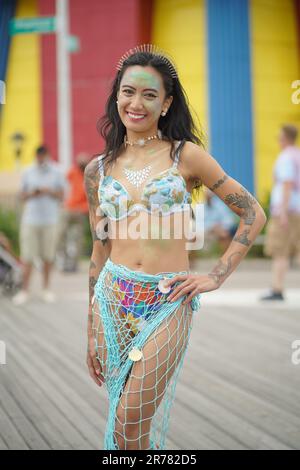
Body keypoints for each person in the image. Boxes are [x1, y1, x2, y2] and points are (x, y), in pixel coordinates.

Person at [84, 44, 266, 450]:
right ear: (117, 98)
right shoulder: (97, 170)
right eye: (128, 91)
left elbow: (253, 213)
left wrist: (215, 276)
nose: (137, 102)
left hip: (168, 299)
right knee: (133, 429)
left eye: (150, 95)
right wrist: (92, 326)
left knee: (127, 417)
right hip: (114, 298)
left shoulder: (187, 156)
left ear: (166, 104)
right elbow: (99, 249)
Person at [12, 145, 65, 306]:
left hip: (50, 220)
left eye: (43, 156)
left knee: (48, 256)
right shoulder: (28, 171)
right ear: (36, 156)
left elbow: (62, 195)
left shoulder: (56, 171)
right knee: (27, 256)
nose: (41, 159)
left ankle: (46, 289)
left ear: (47, 155)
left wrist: (49, 191)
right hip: (31, 220)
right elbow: (21, 195)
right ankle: (24, 290)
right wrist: (33, 193)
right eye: (39, 156)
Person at [261, 125, 300, 301]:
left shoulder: (285, 158)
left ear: (285, 138)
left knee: (280, 251)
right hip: (296, 209)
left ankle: (277, 289)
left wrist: (282, 212)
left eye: (279, 137)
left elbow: (287, 184)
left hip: (287, 211)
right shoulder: (297, 155)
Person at [56, 152, 90, 272]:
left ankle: (73, 264)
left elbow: (92, 198)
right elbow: (63, 186)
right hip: (68, 209)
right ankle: (64, 260)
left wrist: (83, 209)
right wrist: (62, 202)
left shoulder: (90, 176)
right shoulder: (73, 172)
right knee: (59, 235)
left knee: (77, 239)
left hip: (80, 212)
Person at [203, 188, 238, 252]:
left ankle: (225, 257)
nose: (207, 197)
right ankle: (191, 261)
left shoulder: (220, 205)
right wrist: (213, 227)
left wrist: (220, 227)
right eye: (206, 195)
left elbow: (228, 220)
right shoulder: (203, 207)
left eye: (209, 195)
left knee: (224, 235)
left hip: (221, 230)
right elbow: (200, 222)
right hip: (208, 230)